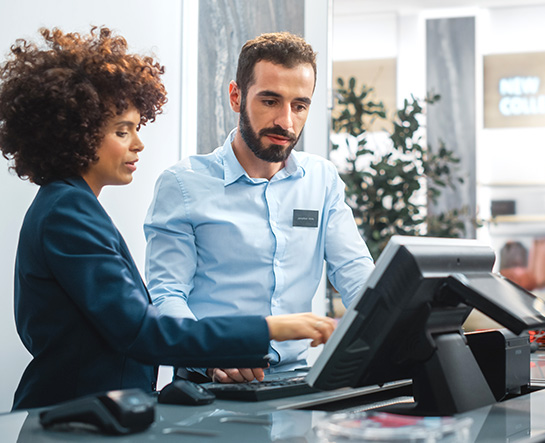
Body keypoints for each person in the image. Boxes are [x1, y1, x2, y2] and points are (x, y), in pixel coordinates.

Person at [0, 27, 335, 410]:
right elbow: (143, 331)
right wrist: (272, 328)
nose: (138, 144)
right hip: (71, 420)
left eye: (136, 129)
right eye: (122, 131)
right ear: (76, 133)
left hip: (98, 415)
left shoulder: (72, 205)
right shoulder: (67, 213)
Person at [144, 32, 374, 383]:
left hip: (298, 378)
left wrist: (395, 322)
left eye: (299, 106)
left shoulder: (322, 180)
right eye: (270, 101)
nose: (287, 122)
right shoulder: (182, 184)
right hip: (210, 380)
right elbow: (167, 294)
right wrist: (207, 355)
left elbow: (356, 273)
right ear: (236, 96)